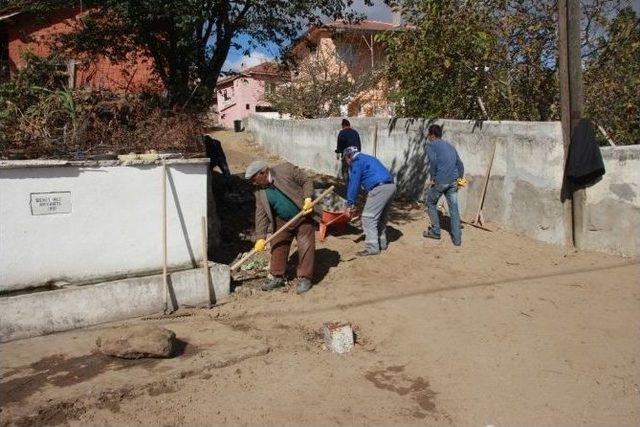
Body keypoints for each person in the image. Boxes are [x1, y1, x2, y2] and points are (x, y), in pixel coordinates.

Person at [245, 160, 316, 294]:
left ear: (263, 172)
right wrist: (260, 237)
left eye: (254, 179)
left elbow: (306, 181)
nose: (254, 183)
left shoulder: (286, 169)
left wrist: (308, 198)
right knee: (277, 244)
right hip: (282, 220)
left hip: (302, 215)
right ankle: (277, 276)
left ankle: (305, 278)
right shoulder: (259, 192)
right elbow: (261, 215)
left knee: (305, 245)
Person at [343, 147, 396, 256]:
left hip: (379, 188)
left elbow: (354, 184)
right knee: (381, 217)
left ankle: (372, 248)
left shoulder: (356, 163)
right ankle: (382, 243)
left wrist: (349, 204)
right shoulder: (369, 158)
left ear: (349, 156)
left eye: (345, 159)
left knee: (368, 218)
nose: (346, 162)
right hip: (391, 186)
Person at [424, 124, 465, 246]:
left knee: (430, 202)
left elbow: (433, 162)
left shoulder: (431, 145)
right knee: (454, 209)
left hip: (441, 180)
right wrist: (460, 183)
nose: (428, 137)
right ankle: (457, 239)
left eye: (428, 135)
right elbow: (460, 165)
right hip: (454, 181)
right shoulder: (450, 146)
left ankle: (436, 232)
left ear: (432, 135)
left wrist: (432, 178)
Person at [335, 119, 362, 184]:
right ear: (349, 125)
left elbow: (339, 145)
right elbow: (359, 144)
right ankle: (355, 185)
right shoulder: (355, 132)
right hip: (356, 153)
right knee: (354, 170)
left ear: (343, 125)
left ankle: (347, 186)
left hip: (347, 155)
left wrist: (338, 153)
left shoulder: (342, 133)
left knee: (345, 170)